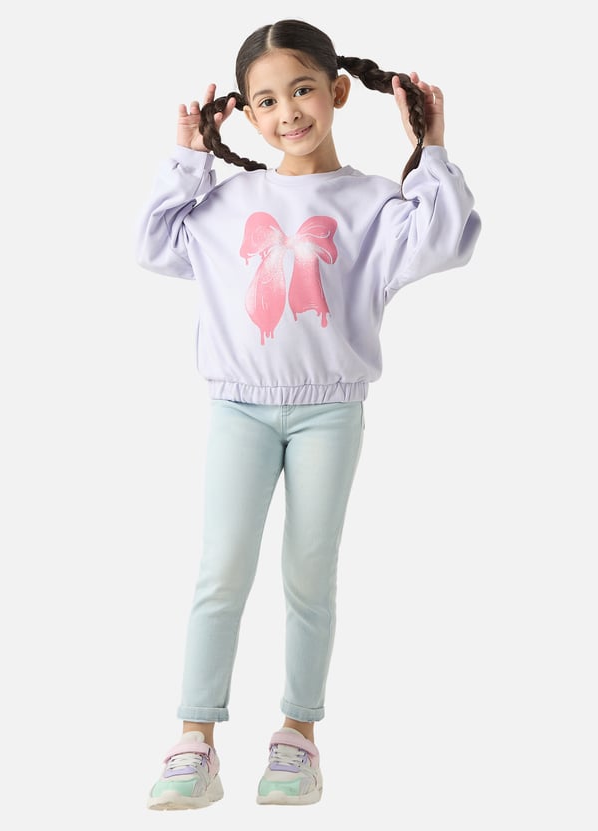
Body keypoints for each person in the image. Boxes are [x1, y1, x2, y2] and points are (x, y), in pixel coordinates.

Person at [135, 18, 481, 810]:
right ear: (244, 114)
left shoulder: (373, 202)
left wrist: (429, 146)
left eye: (301, 90)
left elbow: (445, 239)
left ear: (336, 92)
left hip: (329, 412)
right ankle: (194, 740)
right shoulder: (229, 202)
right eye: (265, 100)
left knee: (308, 574)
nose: (287, 111)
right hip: (239, 408)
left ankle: (296, 736)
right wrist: (189, 156)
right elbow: (153, 244)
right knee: (220, 570)